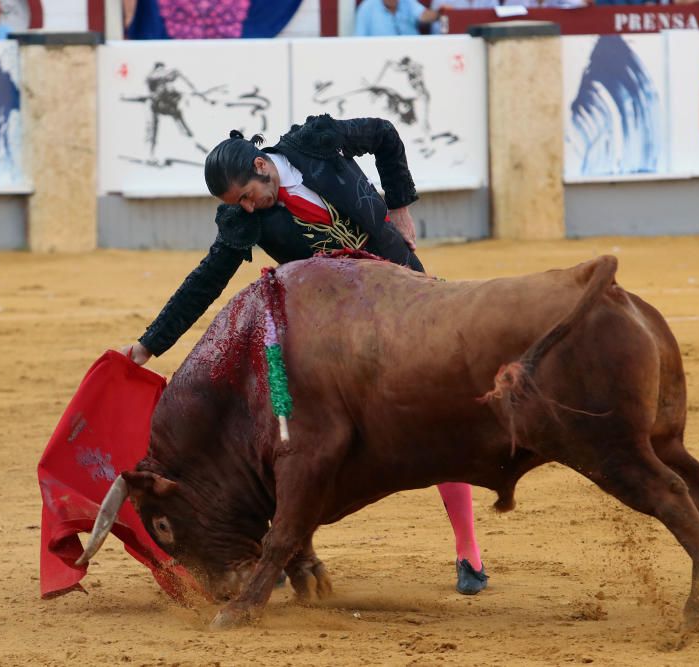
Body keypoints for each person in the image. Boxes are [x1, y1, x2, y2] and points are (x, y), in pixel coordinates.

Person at [121, 114, 489, 595]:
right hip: (336, 331)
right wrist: (150, 344)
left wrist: (399, 206)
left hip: (408, 294)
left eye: (248, 195)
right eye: (240, 204)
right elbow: (207, 279)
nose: (249, 208)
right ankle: (291, 549)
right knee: (299, 431)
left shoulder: (315, 144)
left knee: (442, 413)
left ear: (261, 165)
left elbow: (383, 133)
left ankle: (469, 554)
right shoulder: (245, 219)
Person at [354, 0, 433, 36]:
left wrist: (438, 13)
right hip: (380, 56)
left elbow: (423, 15)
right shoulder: (367, 7)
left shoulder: (407, 2)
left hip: (411, 53)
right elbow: (360, 38)